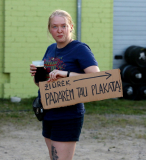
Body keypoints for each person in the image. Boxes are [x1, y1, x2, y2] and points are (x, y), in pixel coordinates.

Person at [29, 10, 100, 160]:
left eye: (63, 26)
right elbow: (42, 85)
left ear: (71, 27)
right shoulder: (50, 49)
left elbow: (96, 78)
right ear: (49, 29)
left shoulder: (79, 48)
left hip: (68, 114)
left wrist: (66, 74)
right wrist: (37, 74)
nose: (59, 30)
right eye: (55, 26)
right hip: (49, 112)